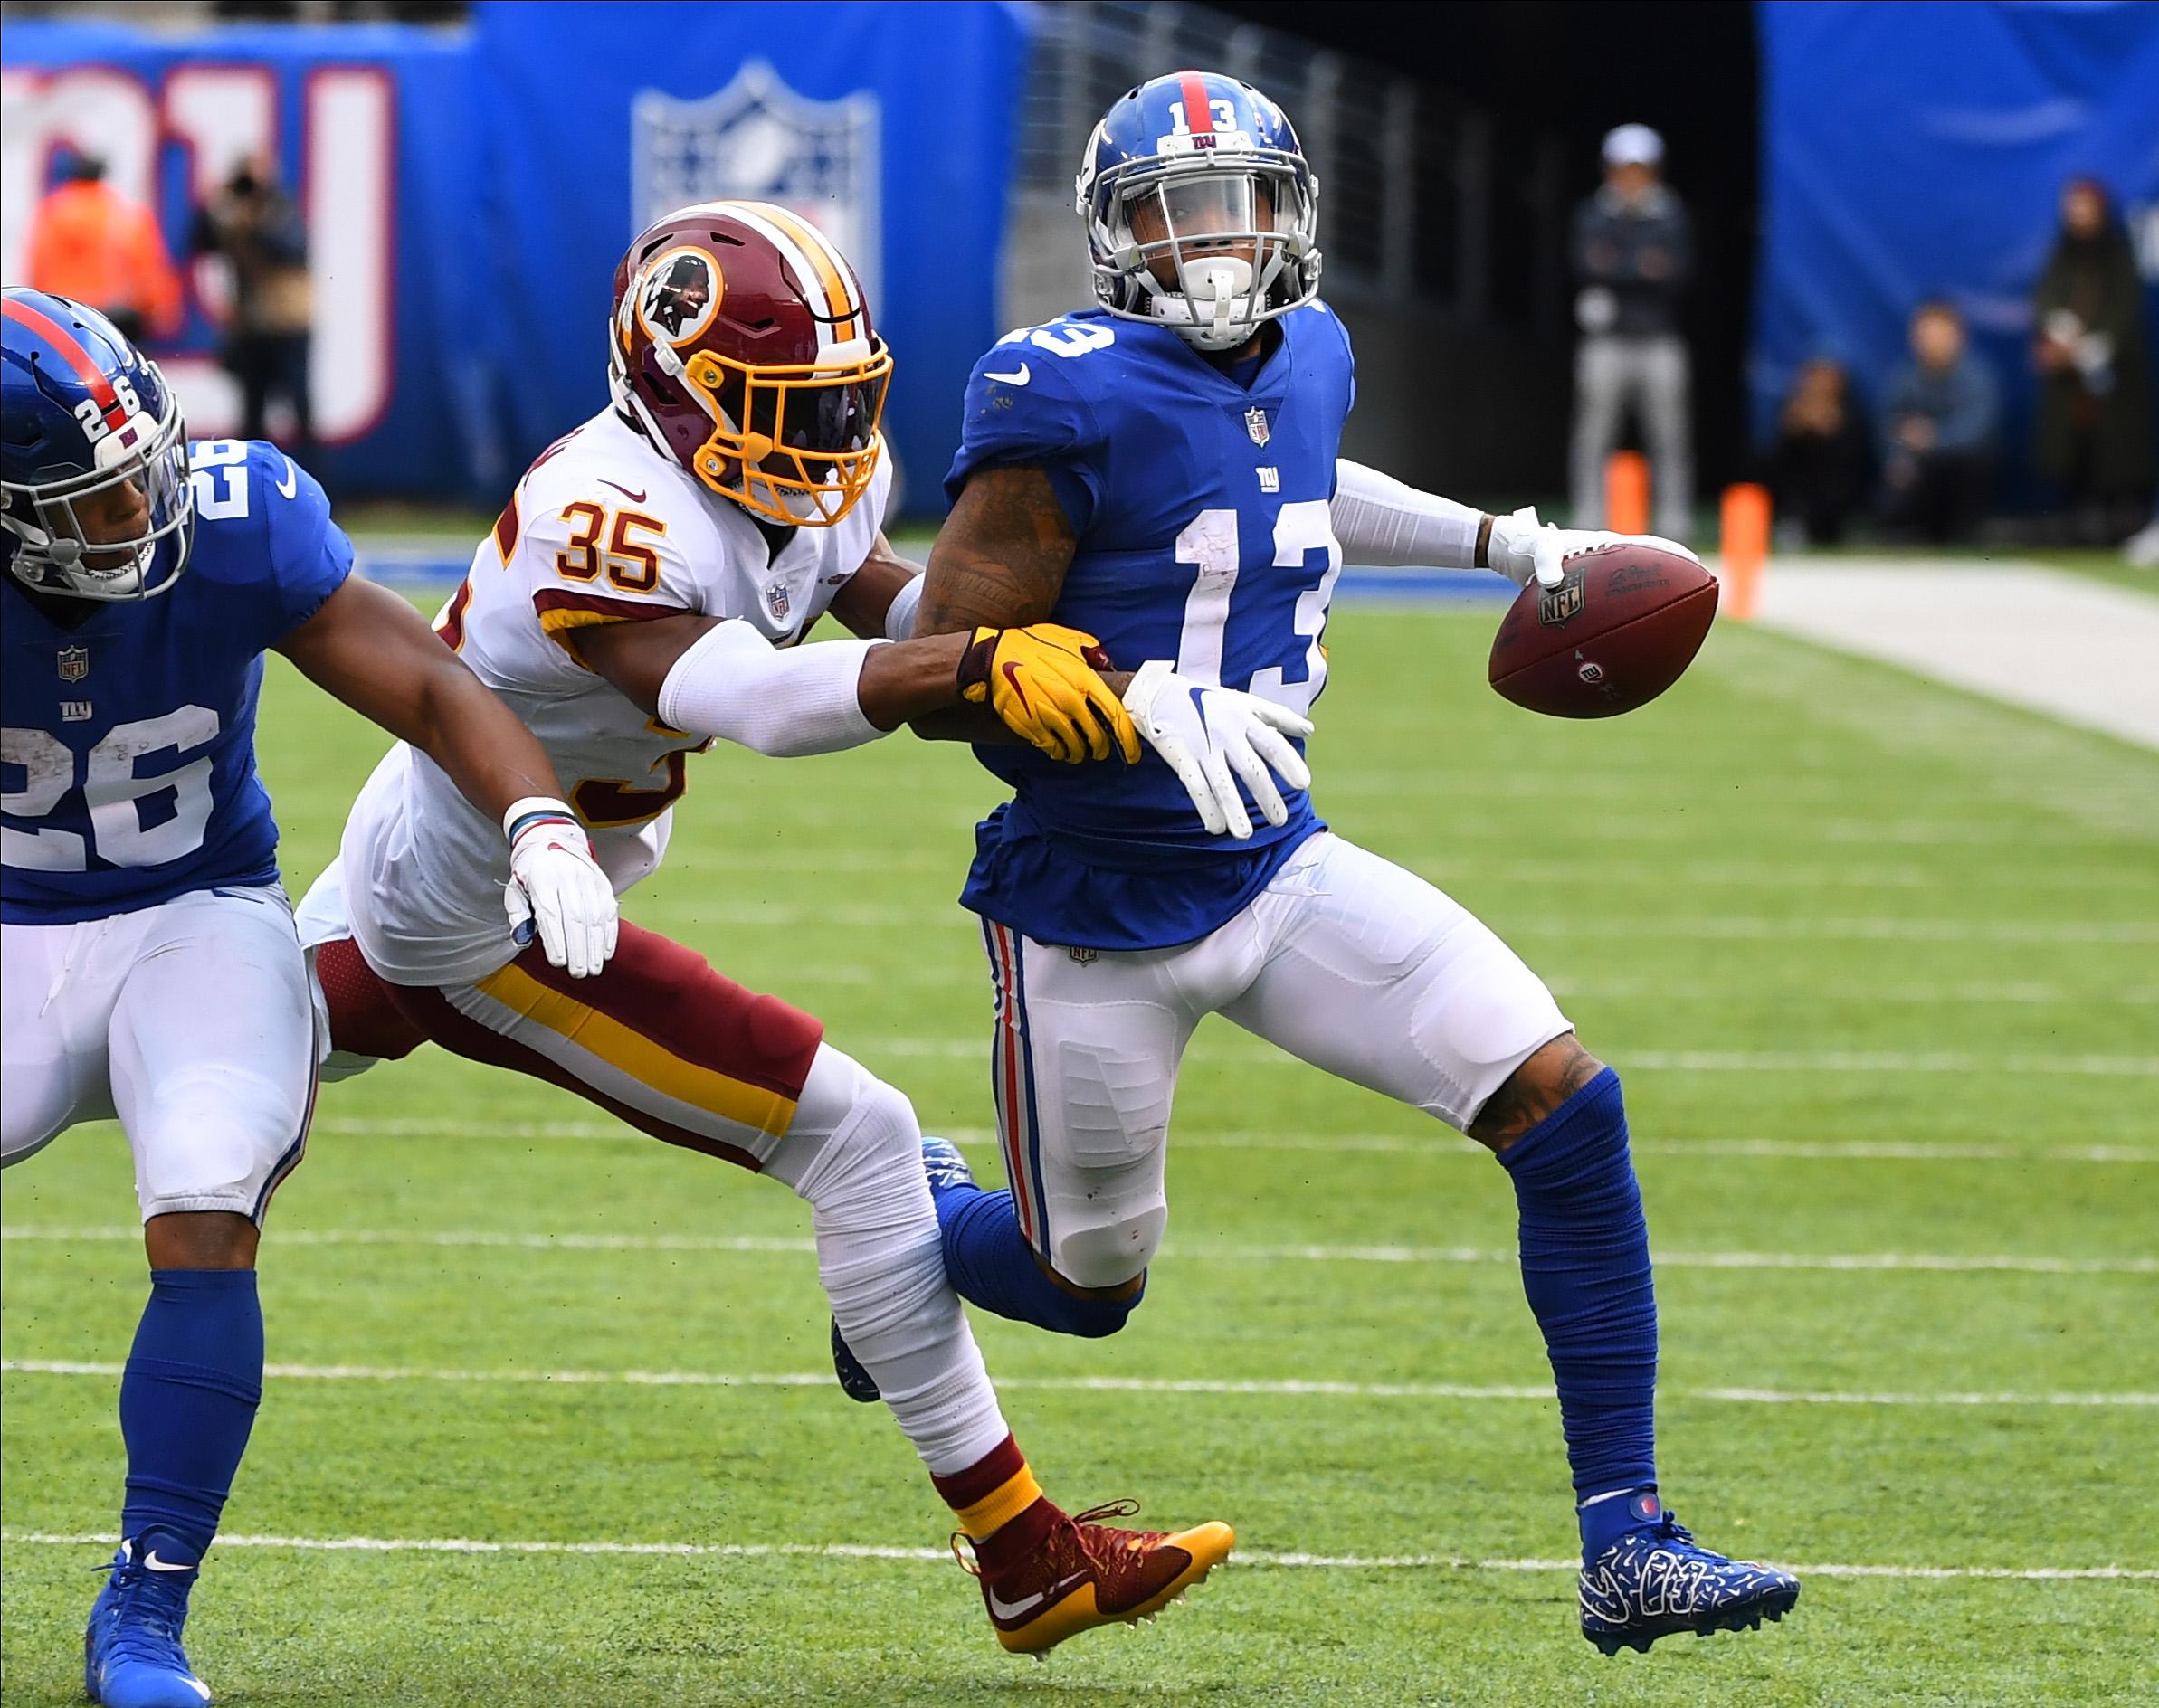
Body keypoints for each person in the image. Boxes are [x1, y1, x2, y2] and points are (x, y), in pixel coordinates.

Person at [831, 71, 1800, 1658]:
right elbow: (945, 659)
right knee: (1087, 1285)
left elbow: (1293, 489)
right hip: (1096, 908)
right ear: (1110, 235)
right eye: (1174, 211)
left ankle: (1627, 1538)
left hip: (1276, 863)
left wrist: (1497, 541)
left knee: (1562, 1096)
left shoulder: (1319, 351)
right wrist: (1129, 691)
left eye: (1240, 204)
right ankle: (914, 1222)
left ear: (1293, 215)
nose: (1214, 243)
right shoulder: (1058, 389)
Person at [294, 201, 1262, 1656]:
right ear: (674, 389)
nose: (824, 438)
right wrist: (978, 662)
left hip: (451, 862)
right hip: (486, 912)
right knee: (861, 1141)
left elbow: (888, 607)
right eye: (782, 407)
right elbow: (759, 697)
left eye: (840, 404)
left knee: (183, 1049)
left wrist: (1072, 643)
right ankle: (1028, 1558)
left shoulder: (785, 481)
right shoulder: (600, 512)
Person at [1, 288, 619, 1708]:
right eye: (93, 502)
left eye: (142, 467)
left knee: (211, 1191)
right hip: (11, 923)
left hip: (192, 914)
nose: (140, 512)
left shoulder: (232, 519)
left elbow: (423, 680)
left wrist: (536, 819)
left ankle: (144, 1615)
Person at [1567, 123, 1693, 538]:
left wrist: (1619, 265)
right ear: (1610, 170)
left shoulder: (1671, 215)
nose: (1632, 179)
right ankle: (1588, 518)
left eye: (1640, 169)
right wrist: (1643, 266)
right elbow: (1585, 266)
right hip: (1606, 341)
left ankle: (1674, 521)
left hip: (1659, 338)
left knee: (1669, 433)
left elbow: (1677, 274)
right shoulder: (1593, 214)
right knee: (1594, 431)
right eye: (1625, 169)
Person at [2031, 176, 2154, 544]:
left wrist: (2090, 349)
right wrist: (2060, 336)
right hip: (2067, 379)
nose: (2080, 216)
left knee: (2116, 454)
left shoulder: (2119, 254)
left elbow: (2125, 313)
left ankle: (2119, 524)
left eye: (2087, 208)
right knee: (2070, 453)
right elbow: (2046, 300)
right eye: (2074, 207)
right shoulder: (2060, 254)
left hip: (2113, 375)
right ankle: (2074, 522)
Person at [189, 157, 314, 460]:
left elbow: (292, 250)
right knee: (251, 412)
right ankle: (252, 478)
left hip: (287, 324)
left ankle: (317, 479)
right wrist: (211, 205)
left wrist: (254, 222)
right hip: (251, 327)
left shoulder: (282, 210)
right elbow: (199, 244)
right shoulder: (234, 218)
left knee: (300, 407)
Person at [24, 156, 183, 347]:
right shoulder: (123, 211)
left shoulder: (51, 212)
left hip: (63, 313)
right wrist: (159, 307)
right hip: (116, 314)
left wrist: (39, 307)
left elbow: (38, 264)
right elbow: (146, 264)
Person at [1878, 299, 1999, 545]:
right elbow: (1888, 426)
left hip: (1961, 472)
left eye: (1939, 334)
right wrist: (1899, 453)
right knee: (1899, 474)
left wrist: (1931, 438)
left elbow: (1975, 431)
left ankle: (1961, 533)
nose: (1932, 343)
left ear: (1958, 337)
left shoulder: (1978, 377)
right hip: (1920, 470)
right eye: (1925, 335)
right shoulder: (1905, 378)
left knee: (1972, 461)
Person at [1767, 356, 1871, 546]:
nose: (1819, 386)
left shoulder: (1852, 417)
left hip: (1839, 496)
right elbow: (1779, 465)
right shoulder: (1793, 413)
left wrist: (1832, 432)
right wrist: (1798, 431)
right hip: (1800, 498)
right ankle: (1791, 522)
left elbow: (1856, 465)